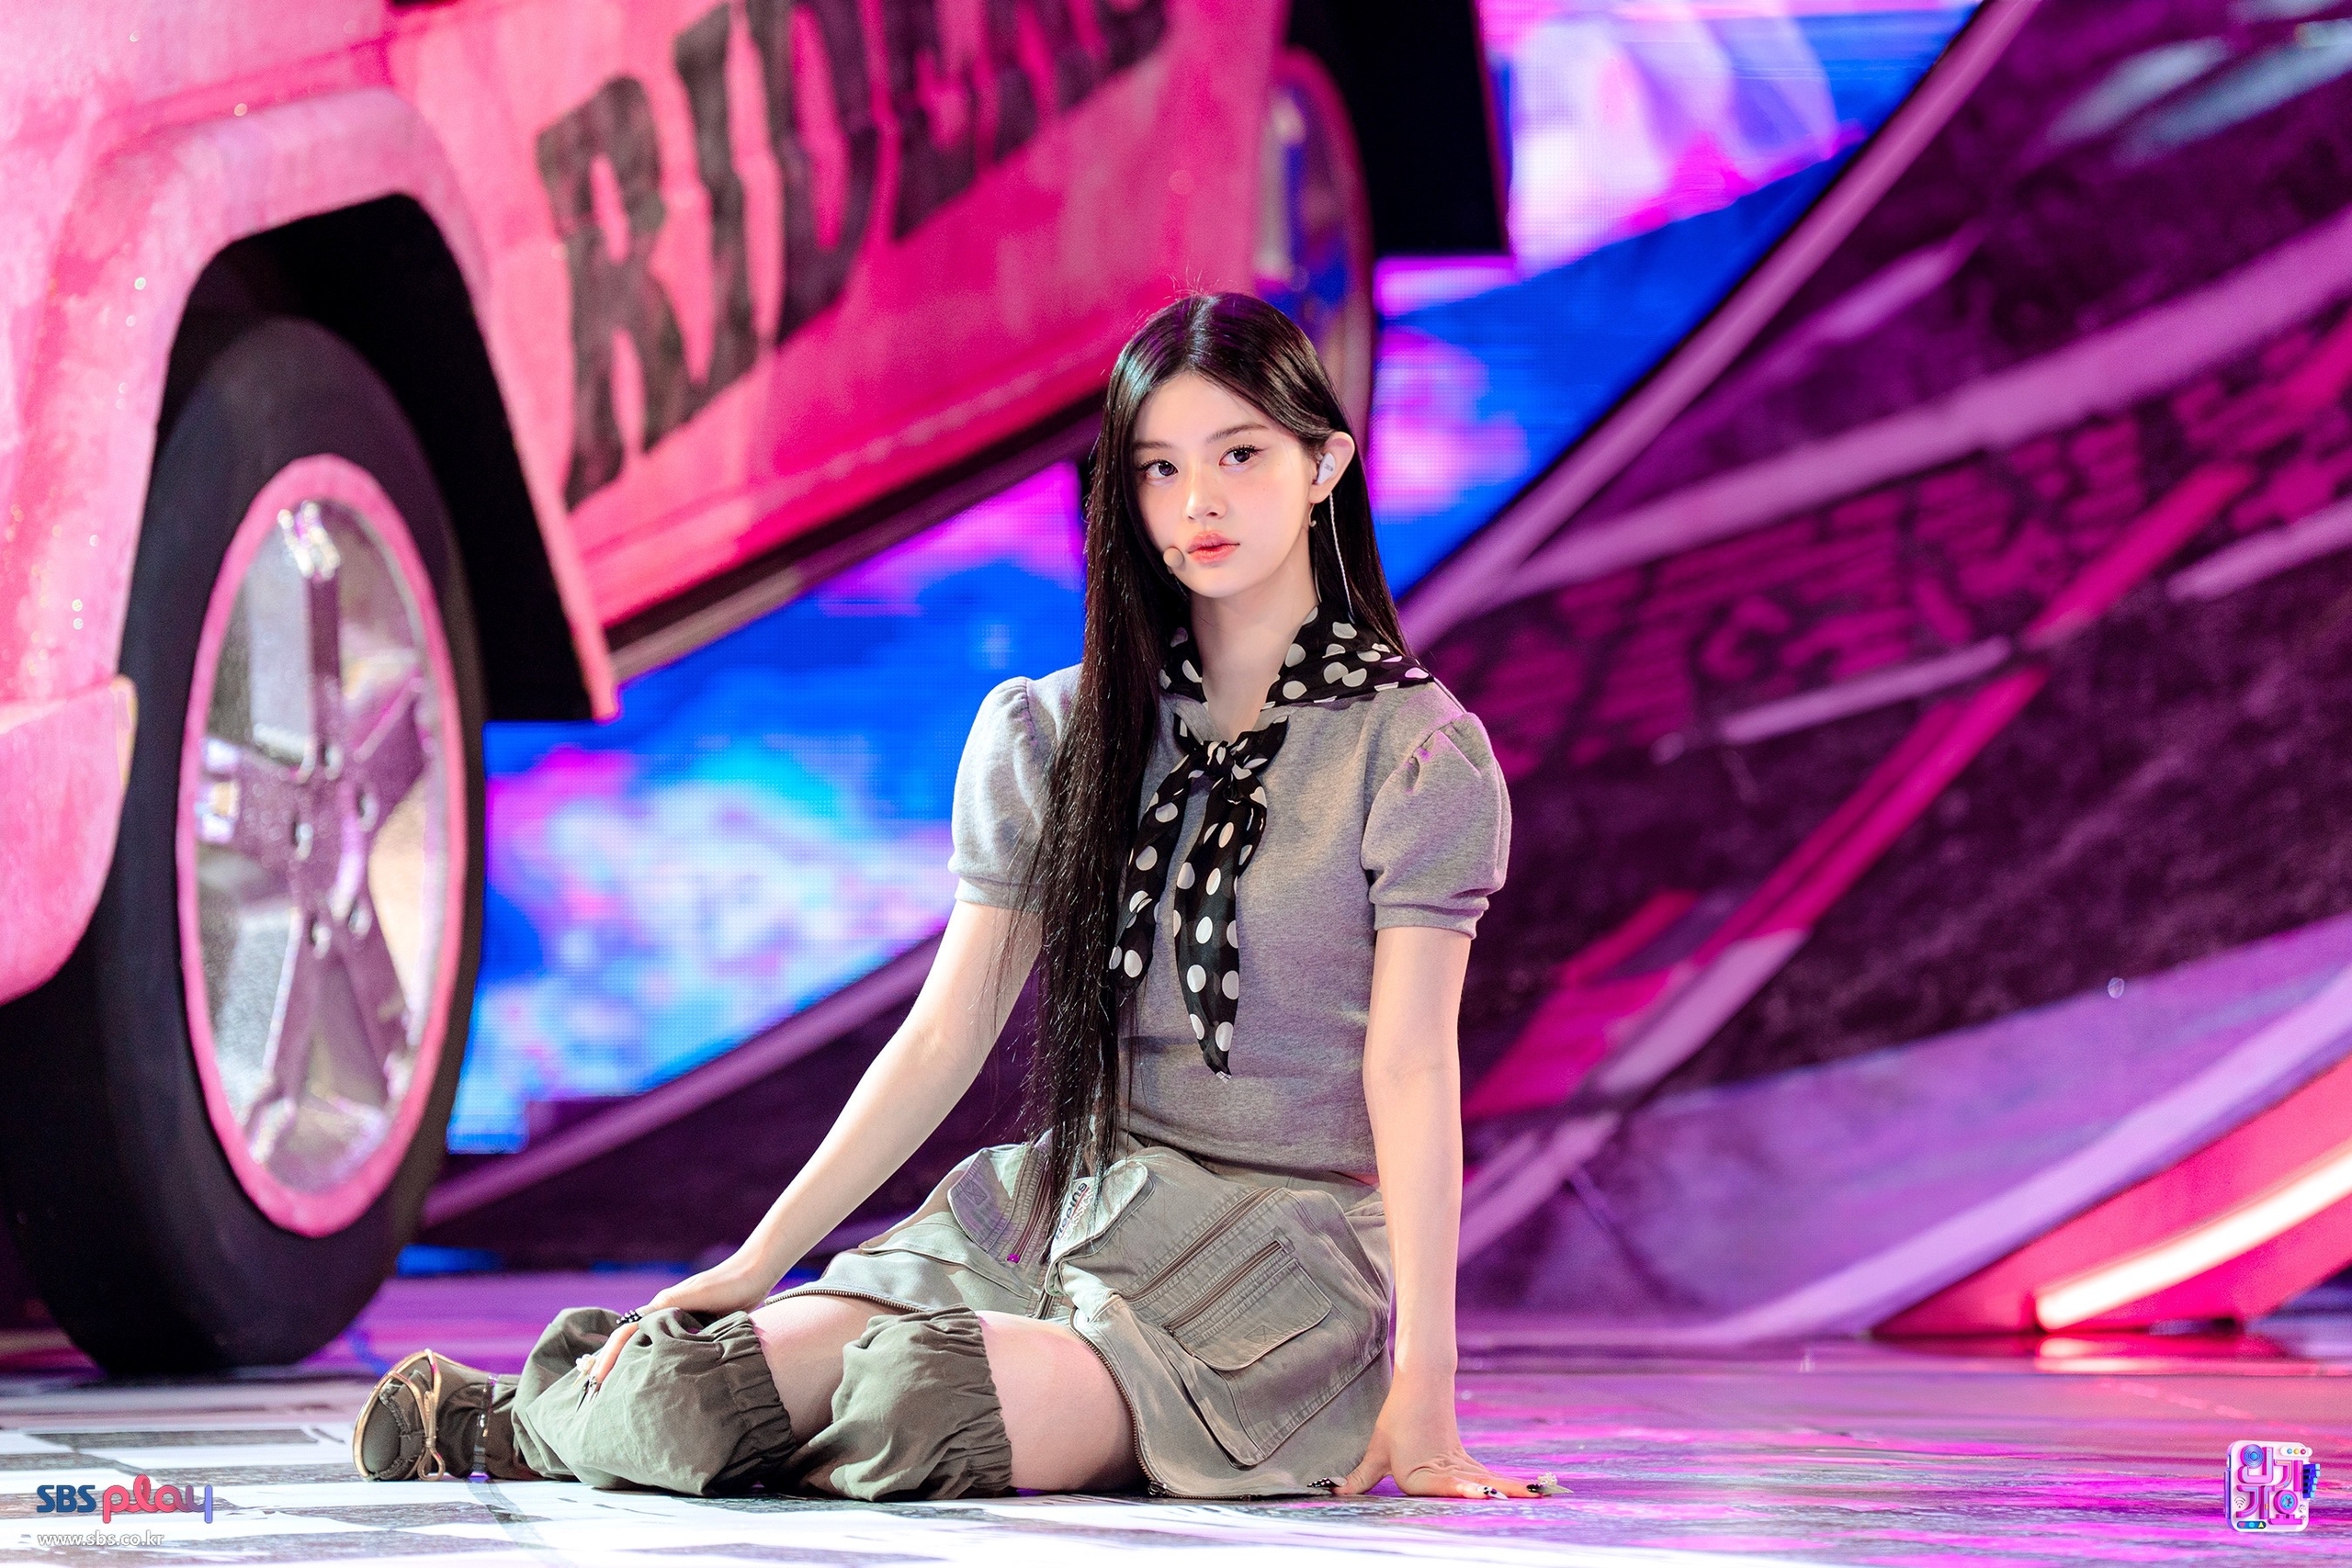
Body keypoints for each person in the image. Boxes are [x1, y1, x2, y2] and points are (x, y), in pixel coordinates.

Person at [352, 293, 1536, 1503]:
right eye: (1160, 469)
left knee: (920, 1406)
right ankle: (511, 1421)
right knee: (691, 1392)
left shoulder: (1413, 753)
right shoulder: (1059, 730)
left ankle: (626, 1431)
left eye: (1240, 456)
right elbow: (944, 1033)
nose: (1199, 504)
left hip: (1279, 1268)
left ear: (1324, 465)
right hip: (1069, 1207)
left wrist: (1425, 1388)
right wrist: (761, 1260)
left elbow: (1410, 1069)